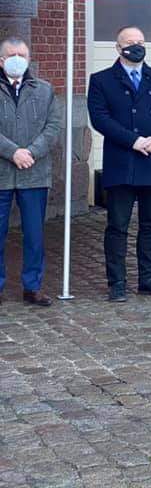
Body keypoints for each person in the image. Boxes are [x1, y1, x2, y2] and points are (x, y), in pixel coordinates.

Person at [88, 26, 151, 302]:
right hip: (123, 161)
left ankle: (147, 279)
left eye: (140, 41)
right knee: (118, 225)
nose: (136, 46)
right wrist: (133, 140)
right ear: (118, 48)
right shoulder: (102, 80)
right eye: (130, 42)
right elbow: (100, 118)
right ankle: (117, 282)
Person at [0, 37, 63, 307]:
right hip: (2, 172)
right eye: (12, 55)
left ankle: (33, 286)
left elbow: (53, 127)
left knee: (35, 235)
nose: (18, 59)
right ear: (1, 60)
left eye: (22, 55)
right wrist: (12, 151)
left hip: (34, 173)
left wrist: (31, 152)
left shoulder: (44, 90)